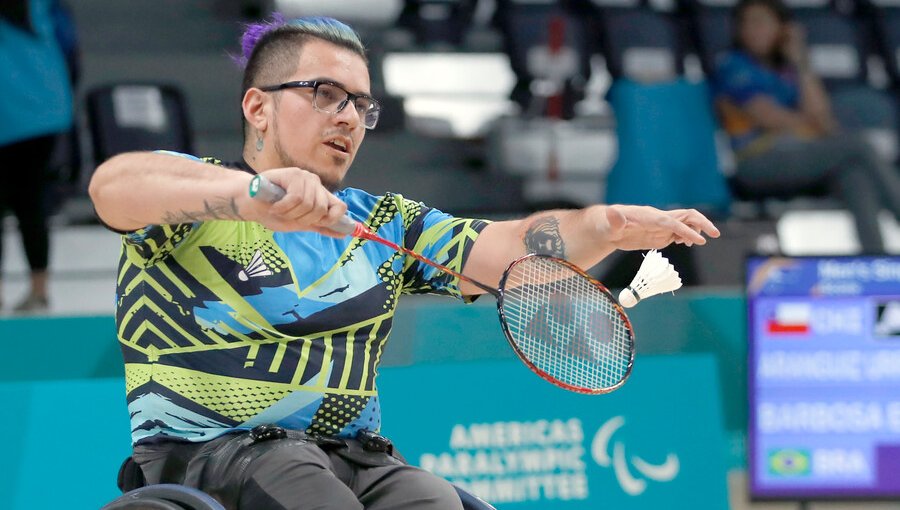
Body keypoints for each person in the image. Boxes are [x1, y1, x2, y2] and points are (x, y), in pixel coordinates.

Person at [88, 14, 720, 510]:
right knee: (300, 481)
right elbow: (114, 187)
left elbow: (507, 250)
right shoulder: (197, 198)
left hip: (355, 458)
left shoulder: (384, 222)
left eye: (361, 105)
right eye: (325, 94)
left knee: (428, 498)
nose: (348, 118)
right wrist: (250, 199)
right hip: (207, 457)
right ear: (258, 106)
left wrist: (604, 225)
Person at [714, 0, 900, 253]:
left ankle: (876, 262)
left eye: (761, 22)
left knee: (855, 175)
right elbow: (771, 118)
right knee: (857, 145)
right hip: (757, 162)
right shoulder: (732, 66)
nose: (752, 29)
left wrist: (800, 59)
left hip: (802, 158)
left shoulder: (788, 70)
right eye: (745, 23)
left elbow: (822, 117)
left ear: (781, 28)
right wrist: (813, 126)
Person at [0, 0, 74, 313]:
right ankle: (39, 290)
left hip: (9, 111)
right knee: (31, 201)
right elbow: (69, 44)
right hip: (45, 108)